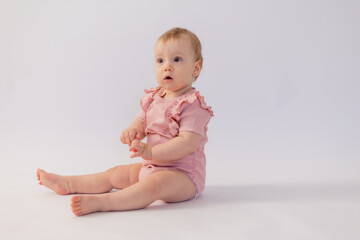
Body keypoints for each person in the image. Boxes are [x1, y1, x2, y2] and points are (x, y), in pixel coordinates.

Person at [37, 27, 214, 216]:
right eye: (160, 60)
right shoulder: (154, 97)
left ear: (196, 68)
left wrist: (150, 151)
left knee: (155, 185)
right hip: (151, 166)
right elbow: (141, 121)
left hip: (184, 178)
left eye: (176, 59)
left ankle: (104, 203)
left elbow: (187, 143)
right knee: (115, 173)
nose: (167, 66)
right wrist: (133, 130)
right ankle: (68, 183)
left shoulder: (192, 104)